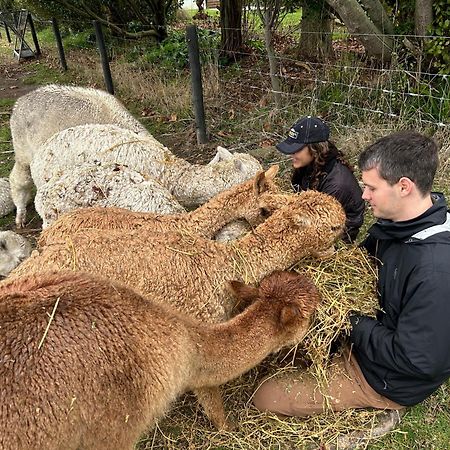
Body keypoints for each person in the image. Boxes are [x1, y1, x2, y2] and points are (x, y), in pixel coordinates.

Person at [253, 130, 450, 417]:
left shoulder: (435, 270)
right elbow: (360, 263)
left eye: (371, 188)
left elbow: (417, 360)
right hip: (371, 335)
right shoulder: (396, 222)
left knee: (265, 395)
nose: (363, 195)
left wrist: (350, 322)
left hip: (387, 378)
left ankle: (379, 406)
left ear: (404, 186)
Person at [276, 116, 365, 243]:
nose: (291, 154)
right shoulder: (311, 164)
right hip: (312, 218)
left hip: (335, 238)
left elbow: (321, 228)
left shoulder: (336, 185)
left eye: (297, 149)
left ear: (315, 148)